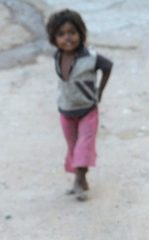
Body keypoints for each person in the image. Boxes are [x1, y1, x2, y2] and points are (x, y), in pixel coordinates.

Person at [46, 9, 113, 201]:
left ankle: (77, 183)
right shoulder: (57, 57)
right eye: (61, 34)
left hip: (87, 111)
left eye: (72, 32)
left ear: (81, 34)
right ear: (53, 38)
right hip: (66, 111)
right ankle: (82, 181)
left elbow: (108, 67)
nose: (67, 38)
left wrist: (99, 91)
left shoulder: (90, 57)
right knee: (74, 147)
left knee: (83, 147)